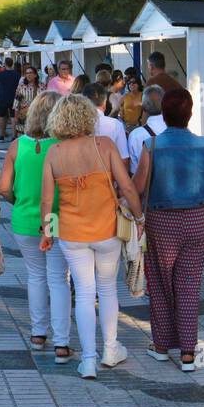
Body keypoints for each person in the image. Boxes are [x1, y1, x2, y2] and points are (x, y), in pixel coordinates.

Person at [39, 94, 143, 379]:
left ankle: (87, 360)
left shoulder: (54, 153)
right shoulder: (104, 146)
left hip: (72, 233)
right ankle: (110, 349)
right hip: (106, 229)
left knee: (84, 292)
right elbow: (128, 188)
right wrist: (140, 217)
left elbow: (47, 201)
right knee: (107, 288)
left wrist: (47, 232)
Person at [133, 88, 204, 371]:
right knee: (188, 286)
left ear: (164, 113)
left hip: (161, 221)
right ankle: (188, 351)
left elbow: (137, 188)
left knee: (160, 284)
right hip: (195, 218)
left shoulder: (152, 145)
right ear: (190, 113)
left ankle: (161, 345)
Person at [0, 92, 72, 362]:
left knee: (35, 276)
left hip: (23, 219)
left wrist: (18, 200)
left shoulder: (19, 145)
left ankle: (38, 334)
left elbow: (3, 187)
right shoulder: (63, 146)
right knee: (58, 278)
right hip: (56, 219)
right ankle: (62, 342)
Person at [83, 82, 130, 169]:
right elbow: (124, 159)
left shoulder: (77, 124)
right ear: (105, 102)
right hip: (110, 177)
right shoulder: (116, 125)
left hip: (84, 179)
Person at [127, 84, 166, 175]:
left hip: (148, 187)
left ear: (143, 107)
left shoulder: (135, 135)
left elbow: (134, 171)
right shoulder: (176, 131)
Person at [0, 57, 21, 141]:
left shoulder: (1, 73)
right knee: (13, 117)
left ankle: (2, 135)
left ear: (5, 64)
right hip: (14, 98)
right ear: (12, 63)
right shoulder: (17, 74)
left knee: (2, 117)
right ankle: (14, 136)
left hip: (3, 97)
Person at [12, 66, 40, 138]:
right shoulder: (21, 87)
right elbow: (16, 103)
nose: (28, 75)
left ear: (35, 75)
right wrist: (16, 117)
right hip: (24, 115)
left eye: (30, 73)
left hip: (37, 116)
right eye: (27, 73)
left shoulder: (41, 86)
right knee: (23, 136)